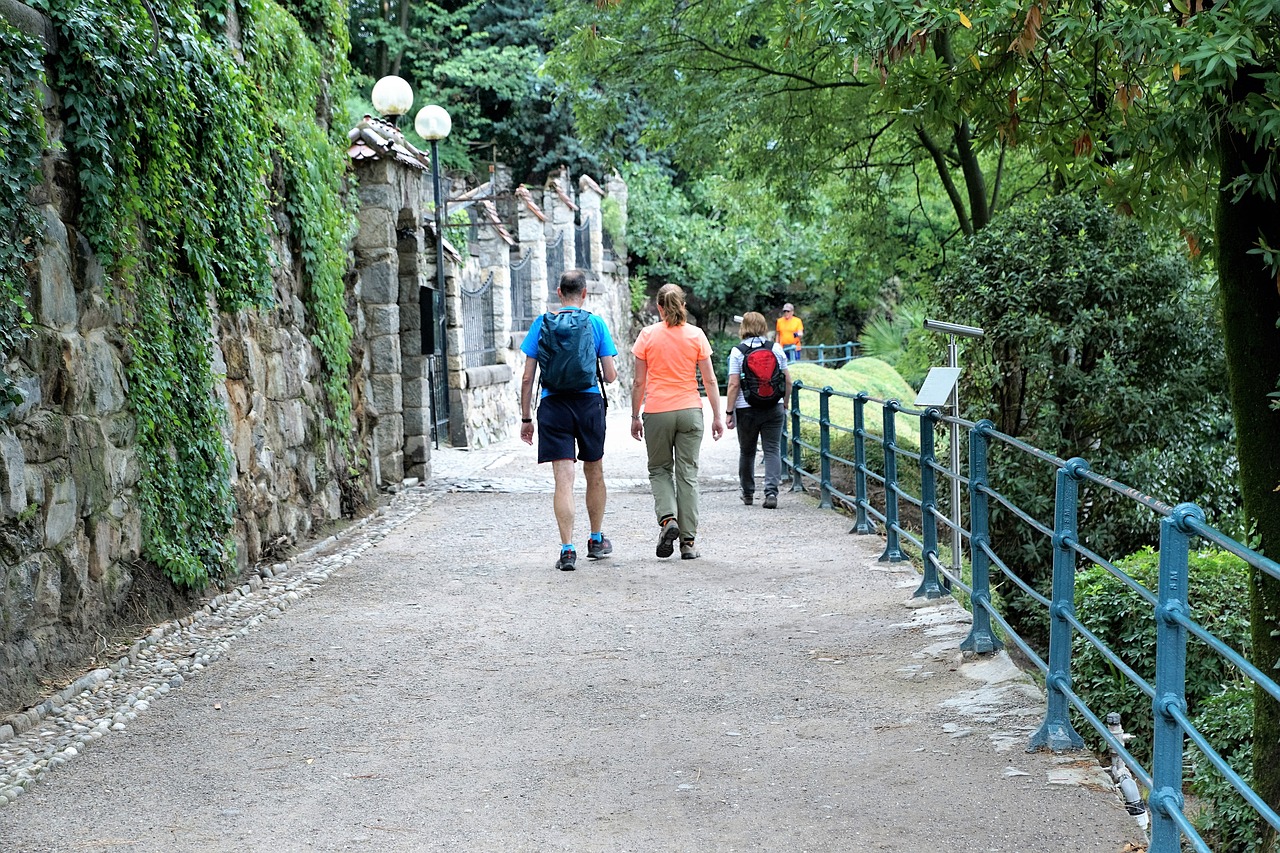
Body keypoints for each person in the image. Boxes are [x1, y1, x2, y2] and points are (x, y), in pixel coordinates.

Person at [519, 269, 619, 571]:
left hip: (553, 406)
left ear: (559, 293)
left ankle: (567, 549)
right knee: (594, 472)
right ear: (585, 293)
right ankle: (596, 538)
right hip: (588, 404)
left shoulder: (541, 324)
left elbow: (527, 378)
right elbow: (611, 376)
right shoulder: (596, 323)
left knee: (563, 479)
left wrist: (526, 417)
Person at [630, 283, 725, 560]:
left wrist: (636, 416)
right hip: (690, 410)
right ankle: (688, 542)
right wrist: (717, 416)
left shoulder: (647, 335)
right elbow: (709, 379)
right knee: (688, 475)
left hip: (657, 411)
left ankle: (668, 519)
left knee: (659, 470)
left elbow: (639, 382)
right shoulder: (696, 335)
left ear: (659, 307)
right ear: (682, 304)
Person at [725, 312, 791, 509]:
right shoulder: (776, 348)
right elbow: (788, 380)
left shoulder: (738, 352)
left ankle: (747, 493)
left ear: (743, 327)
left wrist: (729, 412)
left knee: (747, 451)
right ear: (763, 327)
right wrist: (785, 402)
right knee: (772, 449)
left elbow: (733, 385)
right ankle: (771, 493)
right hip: (773, 406)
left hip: (747, 409)